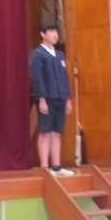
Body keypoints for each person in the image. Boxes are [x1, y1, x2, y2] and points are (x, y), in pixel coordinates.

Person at [29, 22, 74, 177]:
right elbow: (37, 79)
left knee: (57, 133)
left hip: (60, 97)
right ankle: (44, 167)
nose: (55, 35)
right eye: (51, 32)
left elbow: (65, 78)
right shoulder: (37, 54)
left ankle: (56, 166)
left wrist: (68, 99)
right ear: (43, 34)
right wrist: (42, 99)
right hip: (47, 98)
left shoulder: (60, 55)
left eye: (56, 32)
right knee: (45, 132)